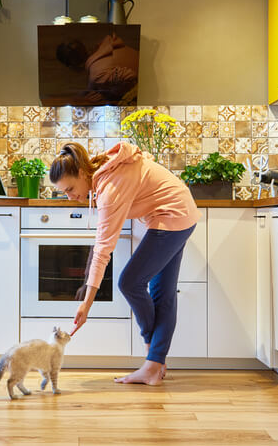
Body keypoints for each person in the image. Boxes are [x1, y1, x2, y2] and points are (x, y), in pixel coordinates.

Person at [49, 141, 200, 385]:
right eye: (63, 192)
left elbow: (102, 250)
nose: (69, 196)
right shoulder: (103, 171)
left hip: (173, 214)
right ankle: (154, 364)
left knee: (130, 282)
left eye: (69, 188)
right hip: (176, 212)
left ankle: (153, 359)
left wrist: (86, 304)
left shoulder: (109, 189)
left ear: (80, 173)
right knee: (162, 292)